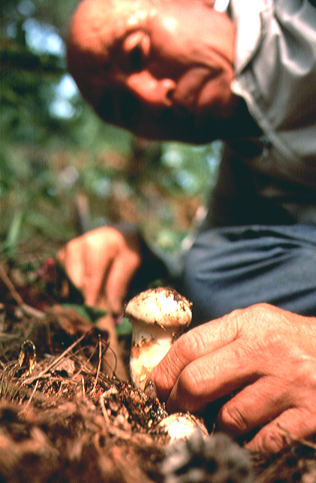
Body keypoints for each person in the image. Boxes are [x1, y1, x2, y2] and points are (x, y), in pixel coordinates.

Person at [59, 0, 316, 452]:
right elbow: (196, 282)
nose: (150, 97)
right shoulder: (246, 162)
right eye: (124, 109)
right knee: (205, 273)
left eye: (138, 52)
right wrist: (143, 255)